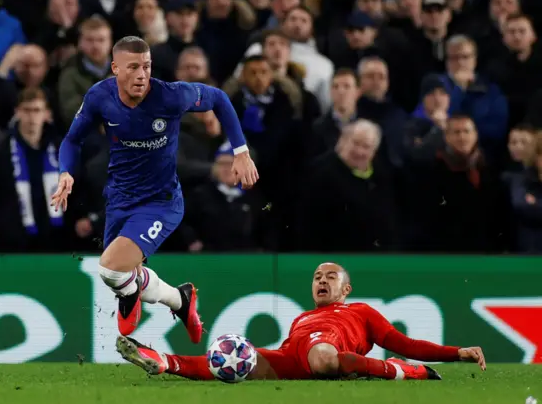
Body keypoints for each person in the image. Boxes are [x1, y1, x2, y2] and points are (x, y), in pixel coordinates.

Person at [51, 36, 259, 342]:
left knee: (110, 270)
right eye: (133, 67)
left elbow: (218, 99)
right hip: (119, 198)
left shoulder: (171, 96)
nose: (141, 74)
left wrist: (241, 151)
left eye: (146, 66)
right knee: (121, 275)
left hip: (160, 202)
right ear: (115, 69)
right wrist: (66, 172)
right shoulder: (100, 97)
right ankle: (181, 300)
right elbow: (72, 139)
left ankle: (131, 297)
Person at [117, 262, 486, 381]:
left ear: (346, 288)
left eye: (330, 277)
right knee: (236, 360)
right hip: (293, 355)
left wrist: (456, 353)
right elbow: (291, 351)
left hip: (328, 354)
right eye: (316, 277)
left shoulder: (360, 312)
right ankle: (165, 362)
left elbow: (405, 343)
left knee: (327, 357)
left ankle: (412, 373)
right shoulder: (303, 317)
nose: (321, 281)